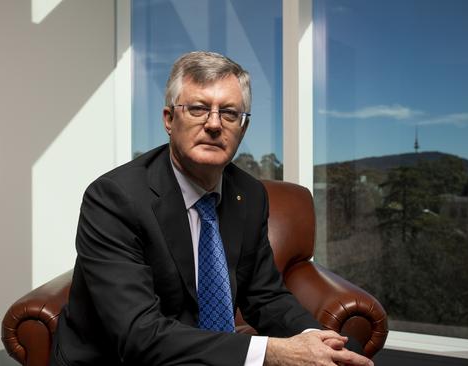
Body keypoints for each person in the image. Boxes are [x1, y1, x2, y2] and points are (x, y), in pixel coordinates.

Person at [50, 51, 373, 366]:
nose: (214, 124)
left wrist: (317, 341)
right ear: (169, 119)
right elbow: (139, 335)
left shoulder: (249, 195)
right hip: (124, 356)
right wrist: (273, 352)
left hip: (209, 352)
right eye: (198, 109)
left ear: (243, 128)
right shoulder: (114, 198)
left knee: (348, 354)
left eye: (230, 113)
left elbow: (265, 296)